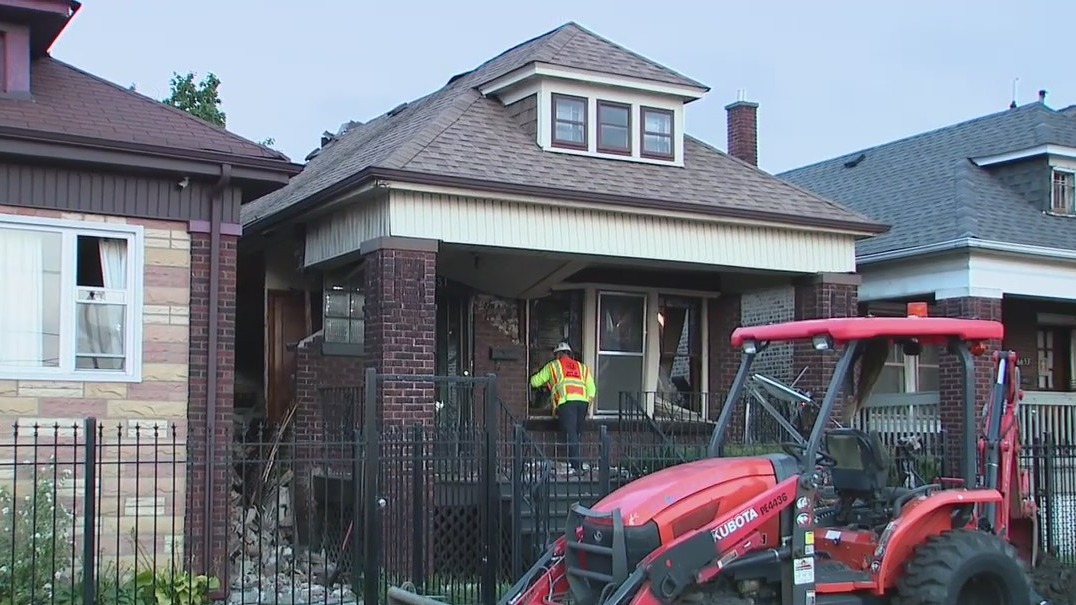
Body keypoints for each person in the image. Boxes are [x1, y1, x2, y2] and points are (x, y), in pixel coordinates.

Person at [529, 342, 596, 475]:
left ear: (557, 355)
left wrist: (546, 381)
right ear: (570, 354)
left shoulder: (553, 366)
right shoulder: (582, 367)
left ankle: (576, 466)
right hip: (583, 402)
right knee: (576, 434)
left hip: (566, 402)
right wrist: (587, 403)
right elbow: (592, 389)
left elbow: (534, 382)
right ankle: (578, 463)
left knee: (570, 434)